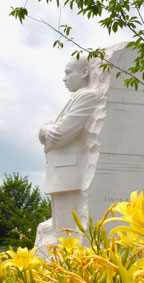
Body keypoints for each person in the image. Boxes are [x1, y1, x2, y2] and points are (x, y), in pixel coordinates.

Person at [38, 57, 98, 239]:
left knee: (66, 235)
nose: (64, 79)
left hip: (68, 173)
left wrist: (47, 132)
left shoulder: (87, 96)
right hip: (61, 173)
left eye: (67, 72)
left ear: (85, 72)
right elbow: (50, 129)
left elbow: (60, 135)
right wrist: (45, 130)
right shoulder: (76, 97)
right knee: (60, 232)